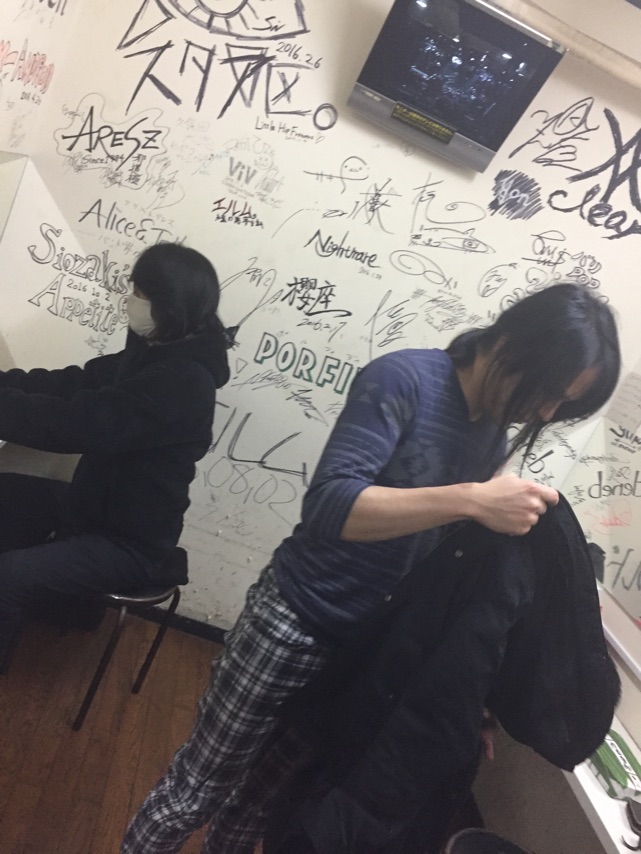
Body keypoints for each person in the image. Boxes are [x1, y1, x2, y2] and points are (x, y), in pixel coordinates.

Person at [121, 282, 620, 854]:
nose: (547, 412)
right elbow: (331, 507)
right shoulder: (404, 379)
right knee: (196, 791)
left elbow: (439, 574)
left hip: (361, 652)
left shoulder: (490, 433)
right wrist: (471, 499)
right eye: (549, 392)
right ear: (515, 343)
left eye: (563, 405)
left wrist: (470, 702)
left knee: (259, 806)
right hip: (292, 624)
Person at [0, 242, 230, 672]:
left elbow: (76, 424)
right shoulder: (155, 352)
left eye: (140, 293)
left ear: (168, 303)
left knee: (9, 576)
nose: (130, 300)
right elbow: (76, 383)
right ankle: (61, 608)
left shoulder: (182, 382)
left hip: (129, 542)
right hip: (94, 506)